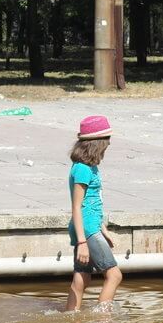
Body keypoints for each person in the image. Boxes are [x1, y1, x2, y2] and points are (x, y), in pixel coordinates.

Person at [65, 115, 124, 311]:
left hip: (90, 226)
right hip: (86, 230)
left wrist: (103, 227)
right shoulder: (82, 170)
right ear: (97, 143)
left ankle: (72, 319)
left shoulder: (89, 166)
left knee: (82, 277)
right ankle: (103, 320)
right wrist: (83, 242)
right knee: (114, 275)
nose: (108, 145)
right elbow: (77, 206)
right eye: (106, 140)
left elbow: (94, 201)